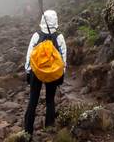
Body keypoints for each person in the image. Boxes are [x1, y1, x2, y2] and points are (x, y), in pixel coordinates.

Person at [24, 9, 67, 137]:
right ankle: (49, 128)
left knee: (33, 100)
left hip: (36, 71)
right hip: (53, 73)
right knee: (50, 100)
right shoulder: (59, 37)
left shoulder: (36, 35)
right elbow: (63, 57)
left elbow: (29, 55)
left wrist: (28, 70)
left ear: (43, 20)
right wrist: (62, 73)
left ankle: (27, 131)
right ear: (56, 20)